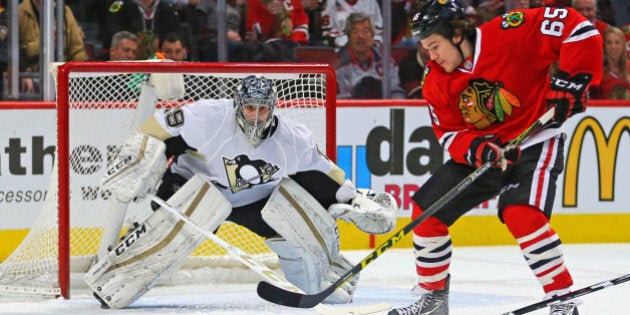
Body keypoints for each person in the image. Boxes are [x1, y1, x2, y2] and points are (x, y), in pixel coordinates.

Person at [84, 75, 398, 309]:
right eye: (250, 107)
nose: (257, 115)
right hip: (196, 189)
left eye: (263, 109)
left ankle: (327, 273)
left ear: (273, 108)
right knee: (171, 233)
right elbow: (159, 125)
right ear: (238, 104)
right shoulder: (209, 117)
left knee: (299, 227)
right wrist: (142, 154)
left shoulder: (293, 138)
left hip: (257, 201)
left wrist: (352, 197)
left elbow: (325, 171)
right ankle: (117, 276)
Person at [388, 1, 602, 315]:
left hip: (535, 141)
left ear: (457, 34)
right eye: (425, 48)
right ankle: (433, 301)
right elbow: (449, 133)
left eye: (435, 46)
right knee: (426, 213)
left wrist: (573, 79)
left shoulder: (511, 32)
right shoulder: (434, 78)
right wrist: (476, 148)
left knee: (521, 214)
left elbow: (577, 28)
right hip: (486, 154)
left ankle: (562, 300)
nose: (431, 57)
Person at [18, 0, 88, 94]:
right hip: (30, 77)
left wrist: (82, 78)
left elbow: (77, 50)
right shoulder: (18, 12)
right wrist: (23, 74)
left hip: (62, 76)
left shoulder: (65, 13)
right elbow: (11, 52)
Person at [335, 12, 406, 99]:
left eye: (365, 31)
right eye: (355, 32)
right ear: (349, 37)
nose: (360, 36)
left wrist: (396, 106)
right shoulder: (339, 65)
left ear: (372, 36)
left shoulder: (386, 62)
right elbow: (340, 100)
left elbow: (395, 90)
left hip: (383, 109)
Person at [97, 0, 183, 60]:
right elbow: (110, 34)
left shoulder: (166, 9)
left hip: (157, 63)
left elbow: (175, 36)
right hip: (128, 63)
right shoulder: (121, 7)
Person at [591, 26, 630, 99]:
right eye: (609, 42)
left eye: (617, 42)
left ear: (623, 45)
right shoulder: (597, 71)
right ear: (604, 45)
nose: (613, 47)